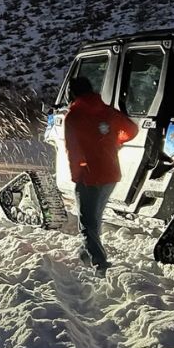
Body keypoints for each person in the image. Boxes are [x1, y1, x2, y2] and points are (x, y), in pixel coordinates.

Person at [63, 76, 139, 274]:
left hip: (89, 175)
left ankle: (99, 264)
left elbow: (72, 150)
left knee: (87, 222)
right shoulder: (107, 111)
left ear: (72, 93)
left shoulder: (74, 116)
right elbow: (131, 130)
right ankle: (85, 254)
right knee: (95, 217)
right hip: (111, 173)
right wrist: (114, 141)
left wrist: (77, 175)